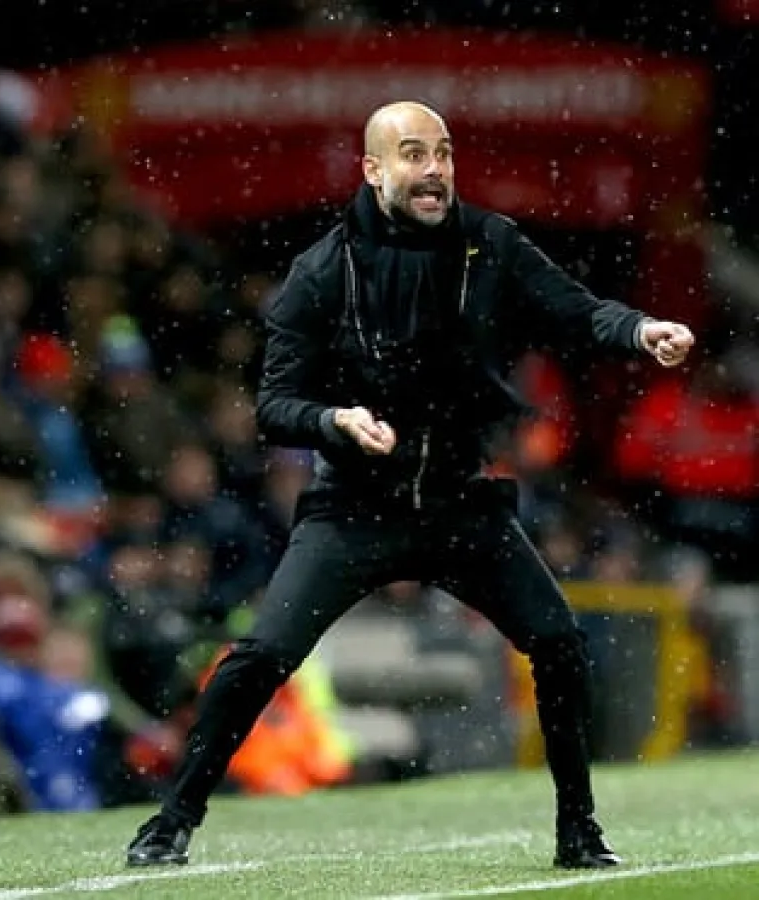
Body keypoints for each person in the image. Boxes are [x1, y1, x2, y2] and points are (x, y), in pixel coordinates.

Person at [125, 101, 695, 871]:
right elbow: (274, 406)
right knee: (260, 654)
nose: (434, 171)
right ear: (373, 170)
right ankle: (170, 822)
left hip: (461, 504)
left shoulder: (491, 242)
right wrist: (335, 421)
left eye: (444, 154)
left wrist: (638, 329)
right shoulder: (321, 270)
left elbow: (576, 310)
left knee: (559, 642)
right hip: (355, 509)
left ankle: (578, 833)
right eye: (414, 155)